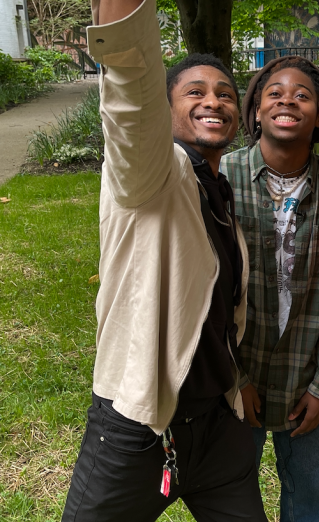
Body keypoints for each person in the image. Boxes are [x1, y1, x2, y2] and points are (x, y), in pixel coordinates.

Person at [61, 1, 267, 521]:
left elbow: (216, 311)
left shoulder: (217, 191)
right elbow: (132, 95)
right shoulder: (153, 172)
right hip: (139, 428)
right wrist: (126, 32)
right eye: (193, 92)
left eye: (224, 93)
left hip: (220, 432)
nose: (213, 101)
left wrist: (236, 381)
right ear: (166, 110)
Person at [220, 56, 319, 522]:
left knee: (312, 492)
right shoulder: (221, 178)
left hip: (309, 374)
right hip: (236, 374)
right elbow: (206, 291)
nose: (287, 101)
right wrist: (235, 379)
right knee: (230, 491)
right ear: (255, 109)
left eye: (302, 95)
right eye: (274, 92)